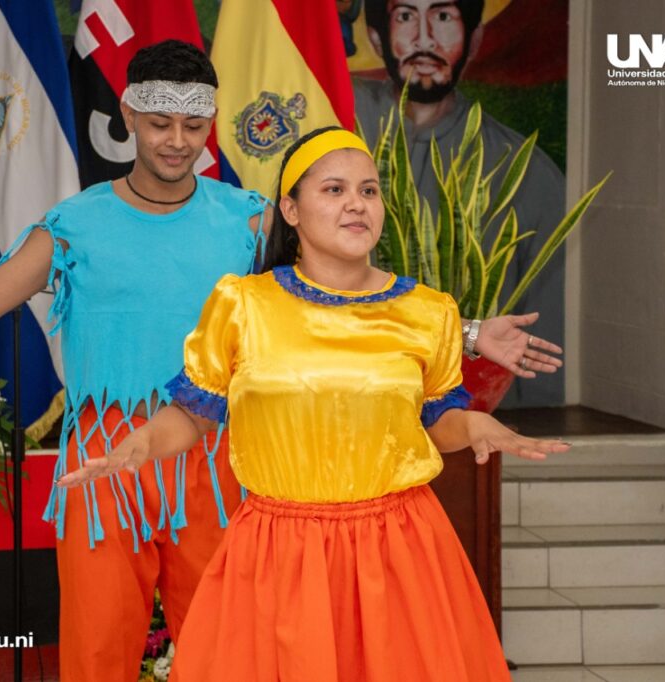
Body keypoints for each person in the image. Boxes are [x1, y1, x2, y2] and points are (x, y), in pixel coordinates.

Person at [0, 41, 557, 682]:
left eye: (193, 125)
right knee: (95, 656)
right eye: (159, 123)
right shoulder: (75, 223)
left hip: (216, 459)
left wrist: (469, 332)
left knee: (229, 655)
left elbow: (348, 301)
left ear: (210, 123)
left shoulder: (251, 220)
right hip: (105, 465)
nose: (177, 141)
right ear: (129, 118)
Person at [56, 127, 570, 681]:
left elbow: (436, 422)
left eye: (369, 191)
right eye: (334, 189)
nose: (357, 203)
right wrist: (142, 442)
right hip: (278, 549)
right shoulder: (242, 304)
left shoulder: (429, 312)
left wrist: (473, 426)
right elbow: (195, 412)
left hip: (396, 551)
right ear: (291, 210)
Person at [356, 0, 568, 407]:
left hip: (472, 413)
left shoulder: (528, 174)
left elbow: (543, 349)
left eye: (442, 17)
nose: (424, 38)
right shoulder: (336, 132)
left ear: (474, 39)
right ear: (376, 36)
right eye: (405, 17)